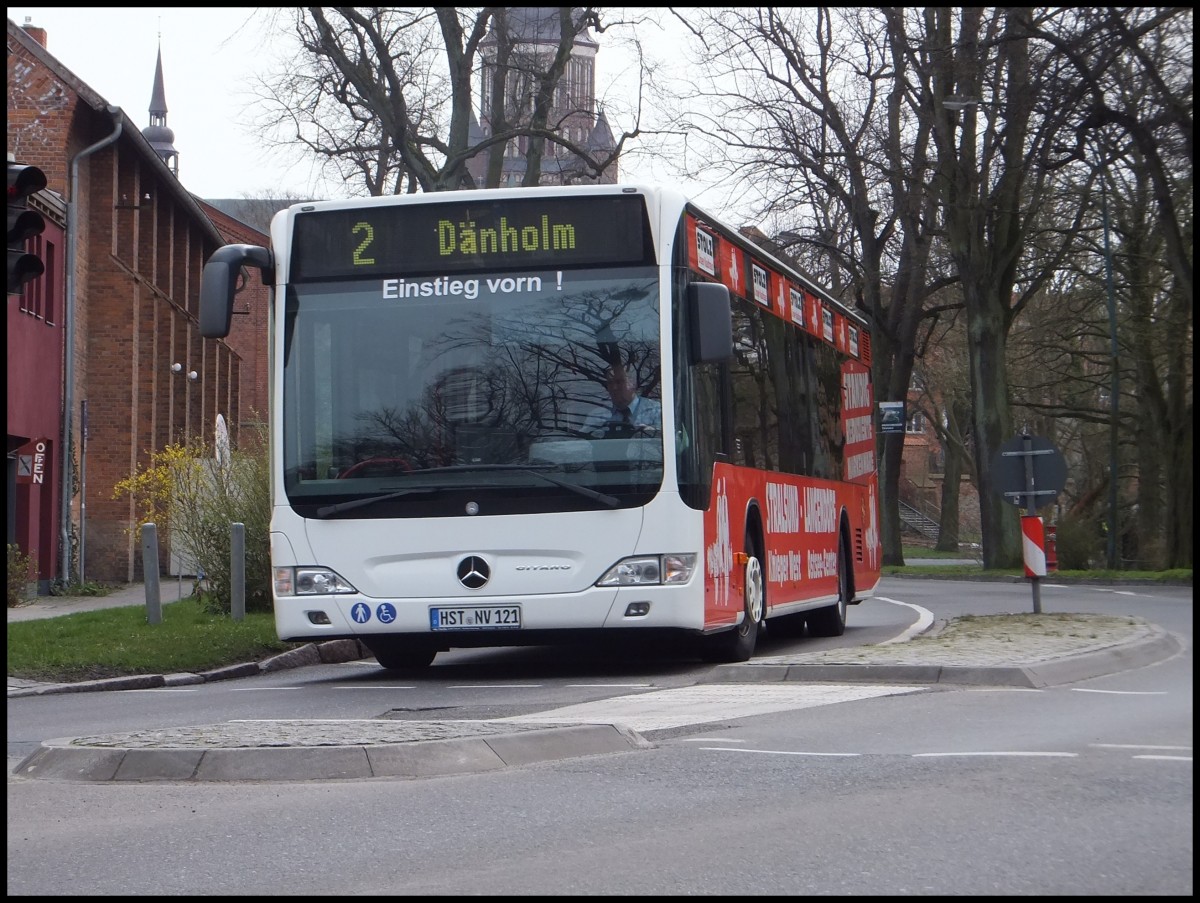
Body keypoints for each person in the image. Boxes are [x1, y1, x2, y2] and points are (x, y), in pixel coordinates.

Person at [585, 363, 662, 438]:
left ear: (633, 384)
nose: (614, 387)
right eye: (610, 383)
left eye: (619, 382)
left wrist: (647, 433)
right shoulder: (598, 415)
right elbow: (583, 443)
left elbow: (664, 444)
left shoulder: (655, 411)